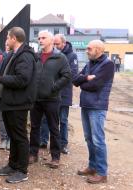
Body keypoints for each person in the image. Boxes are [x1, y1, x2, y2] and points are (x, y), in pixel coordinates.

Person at [0, 27, 38, 183]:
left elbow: (22, 80)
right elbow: (8, 75)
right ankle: (13, 165)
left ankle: (22, 170)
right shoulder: (13, 54)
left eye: (7, 37)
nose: (6, 40)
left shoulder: (25, 56)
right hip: (9, 102)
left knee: (19, 137)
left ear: (14, 38)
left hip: (18, 103)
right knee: (13, 136)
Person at [73, 40, 115, 184]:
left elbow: (95, 85)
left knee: (98, 140)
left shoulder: (108, 65)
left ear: (98, 49)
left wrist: (83, 83)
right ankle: (92, 167)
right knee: (89, 138)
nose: (86, 51)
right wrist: (86, 78)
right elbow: (75, 79)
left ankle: (102, 173)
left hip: (97, 106)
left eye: (89, 48)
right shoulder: (90, 63)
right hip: (86, 105)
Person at [29, 30, 71, 169]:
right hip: (36, 99)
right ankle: (33, 154)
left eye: (43, 38)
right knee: (34, 127)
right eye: (39, 38)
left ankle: (55, 157)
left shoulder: (60, 58)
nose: (40, 40)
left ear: (51, 40)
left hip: (52, 99)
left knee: (54, 128)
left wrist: (54, 87)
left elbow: (66, 76)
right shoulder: (36, 56)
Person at [40, 34, 78, 154]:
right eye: (54, 44)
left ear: (64, 43)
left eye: (57, 44)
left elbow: (71, 74)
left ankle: (63, 144)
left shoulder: (71, 56)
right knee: (45, 118)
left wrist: (54, 84)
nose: (55, 46)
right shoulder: (48, 54)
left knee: (63, 120)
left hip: (64, 93)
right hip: (49, 94)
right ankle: (43, 140)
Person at [0, 41, 11, 150]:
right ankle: (3, 139)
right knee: (2, 117)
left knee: (11, 118)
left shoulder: (19, 58)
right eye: (6, 44)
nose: (7, 46)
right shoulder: (1, 58)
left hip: (13, 91)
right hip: (2, 91)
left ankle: (10, 139)